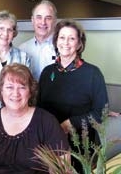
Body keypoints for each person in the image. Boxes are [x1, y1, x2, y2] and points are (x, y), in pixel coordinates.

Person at [0, 63, 70, 174]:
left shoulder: (47, 122)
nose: (15, 93)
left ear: (30, 92)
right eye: (9, 87)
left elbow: (62, 169)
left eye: (22, 87)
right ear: (1, 90)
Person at [36, 19, 109, 173]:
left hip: (82, 148)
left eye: (72, 38)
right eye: (62, 37)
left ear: (79, 44)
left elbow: (100, 113)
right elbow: (39, 108)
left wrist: (69, 124)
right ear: (56, 41)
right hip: (50, 144)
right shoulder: (48, 72)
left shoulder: (93, 74)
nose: (66, 42)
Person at [19, 0, 57, 81]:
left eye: (48, 18)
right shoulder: (23, 49)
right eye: (39, 17)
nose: (43, 22)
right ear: (32, 20)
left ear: (54, 21)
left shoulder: (63, 48)